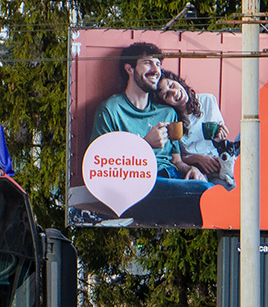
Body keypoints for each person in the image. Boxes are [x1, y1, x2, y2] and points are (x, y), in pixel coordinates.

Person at [87, 41, 210, 225]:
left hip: (173, 177)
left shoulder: (168, 112)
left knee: (210, 194)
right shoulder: (110, 111)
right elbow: (99, 169)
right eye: (148, 63)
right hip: (139, 184)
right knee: (207, 194)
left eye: (158, 64)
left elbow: (176, 160)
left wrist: (191, 169)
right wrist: (145, 144)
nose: (155, 70)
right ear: (129, 68)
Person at [156, 69, 234, 188]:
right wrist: (196, 159)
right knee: (223, 191)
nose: (174, 92)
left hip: (219, 162)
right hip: (196, 169)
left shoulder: (208, 100)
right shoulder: (171, 118)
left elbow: (217, 142)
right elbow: (175, 159)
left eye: (172, 85)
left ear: (178, 82)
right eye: (166, 95)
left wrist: (220, 135)